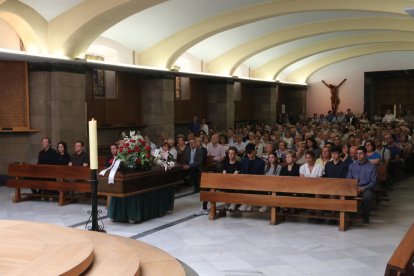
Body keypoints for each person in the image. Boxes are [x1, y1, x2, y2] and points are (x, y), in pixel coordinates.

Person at [347, 146, 377, 225]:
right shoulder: (352, 166)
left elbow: (373, 182)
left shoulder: (371, 166)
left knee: (368, 196)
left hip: (367, 188)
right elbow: (349, 179)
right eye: (357, 154)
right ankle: (351, 215)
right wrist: (355, 187)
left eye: (361, 153)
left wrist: (363, 188)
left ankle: (365, 216)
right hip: (354, 187)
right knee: (346, 194)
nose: (359, 155)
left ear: (365, 154)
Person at [238, 143, 265, 212]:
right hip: (245, 182)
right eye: (248, 154)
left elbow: (261, 175)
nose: (249, 155)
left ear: (254, 151)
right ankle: (246, 203)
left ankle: (249, 203)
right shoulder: (244, 160)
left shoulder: (260, 162)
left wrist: (252, 180)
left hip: (256, 182)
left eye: (250, 153)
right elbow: (242, 172)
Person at [222, 147, 242, 211]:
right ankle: (227, 202)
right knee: (226, 185)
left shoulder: (239, 164)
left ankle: (233, 202)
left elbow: (235, 175)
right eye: (229, 153)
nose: (230, 155)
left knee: (233, 185)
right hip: (226, 182)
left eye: (232, 153)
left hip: (236, 183)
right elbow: (224, 174)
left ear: (236, 154)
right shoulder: (225, 163)